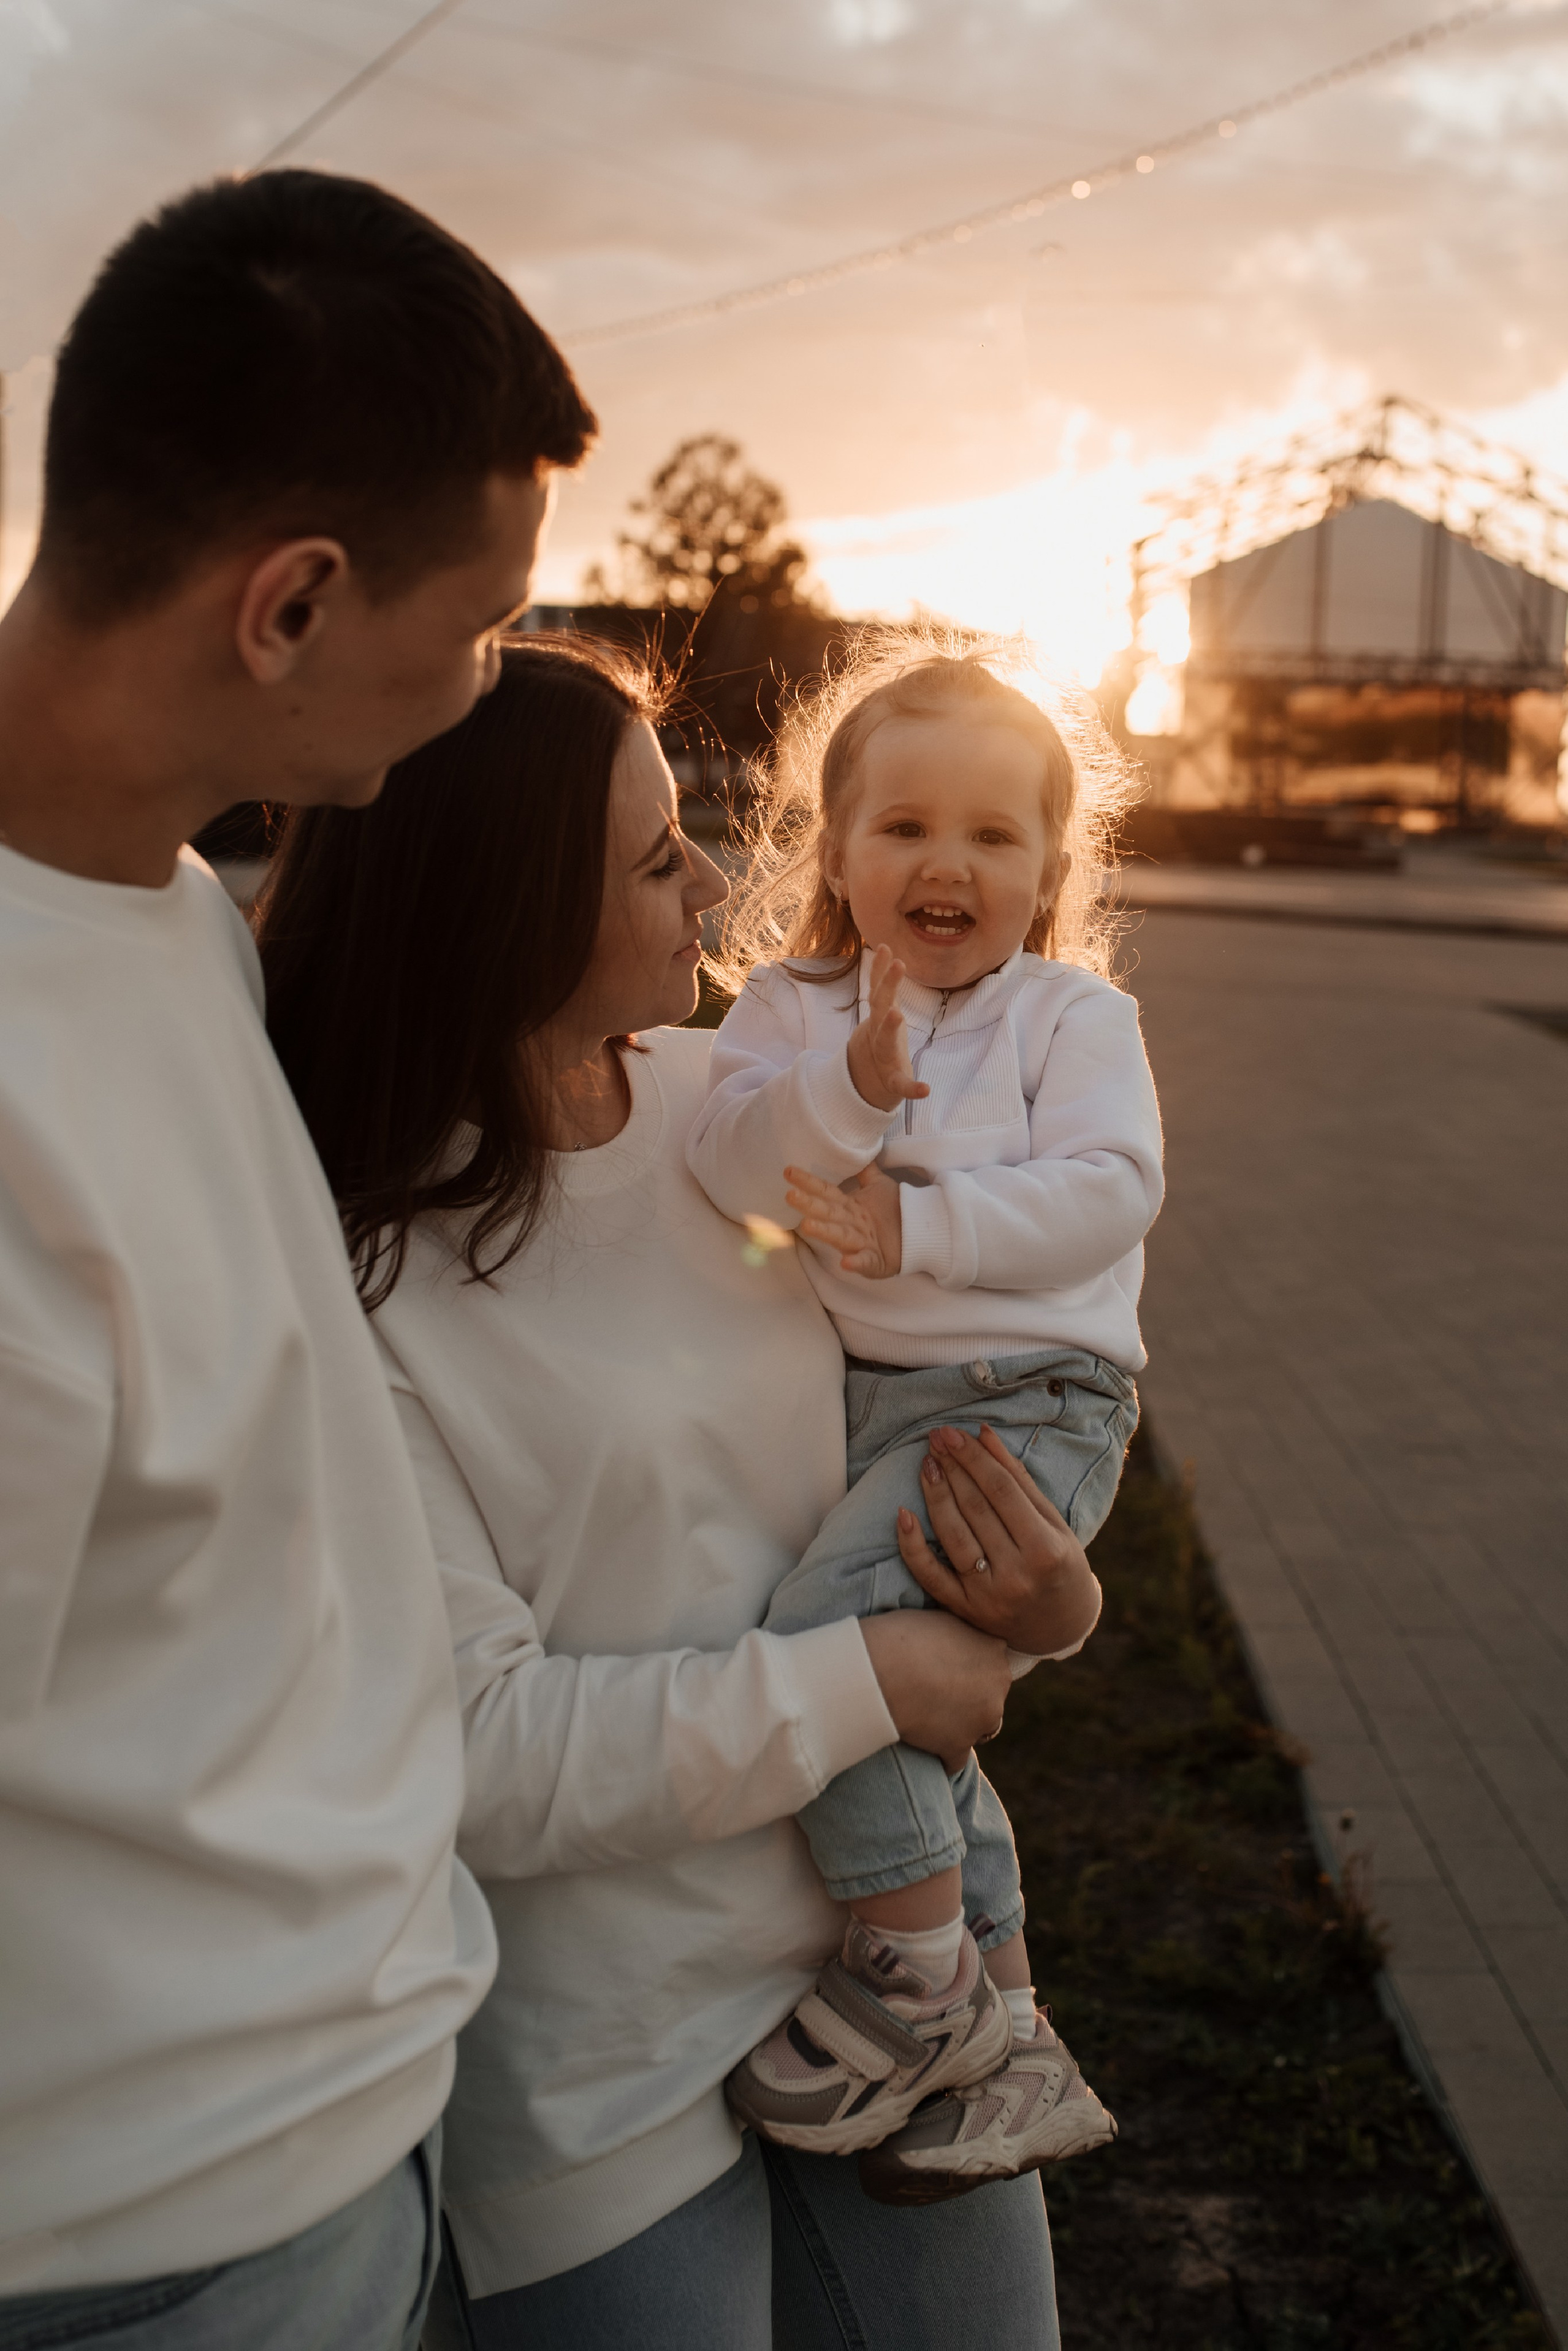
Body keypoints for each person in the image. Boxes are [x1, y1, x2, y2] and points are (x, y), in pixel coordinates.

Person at [256, 636, 1104, 2349]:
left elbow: (938, 1416)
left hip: (895, 1983)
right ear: (499, 911)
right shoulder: (351, 1279)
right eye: (656, 856)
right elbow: (476, 1758)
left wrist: (1050, 1606)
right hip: (598, 2058)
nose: (716, 876)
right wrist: (867, 1683)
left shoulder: (741, 1109)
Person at [0, 169, 594, 2349]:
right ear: (291, 604)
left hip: (332, 2139)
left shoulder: (157, 908)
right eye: (482, 625)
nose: (485, 686)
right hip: (155, 2255)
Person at [687, 638, 1163, 2200]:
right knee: (898, 1698)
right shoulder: (787, 1003)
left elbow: (1111, 1191)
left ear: (1046, 867)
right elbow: (734, 1167)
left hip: (1029, 1396)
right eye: (901, 828)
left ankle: (910, 1972)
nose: (943, 862)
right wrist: (846, 1086)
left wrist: (920, 1230)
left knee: (834, 1650)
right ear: (832, 851)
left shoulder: (1068, 1019)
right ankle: (1008, 2026)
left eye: (990, 834)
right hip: (879, 1404)